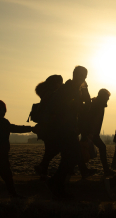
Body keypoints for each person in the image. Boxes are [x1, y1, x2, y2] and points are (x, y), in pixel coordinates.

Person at [44, 66, 90, 200]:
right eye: (81, 75)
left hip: (69, 128)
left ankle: (56, 185)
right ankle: (56, 185)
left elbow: (86, 106)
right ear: (75, 75)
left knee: (70, 158)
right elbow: (60, 109)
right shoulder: (67, 90)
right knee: (72, 157)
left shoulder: (76, 90)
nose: (83, 78)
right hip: (64, 129)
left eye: (85, 76)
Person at [33, 75, 63, 180]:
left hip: (45, 127)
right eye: (60, 82)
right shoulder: (51, 95)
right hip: (50, 127)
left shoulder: (46, 94)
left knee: (49, 150)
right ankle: (42, 167)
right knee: (56, 149)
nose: (61, 85)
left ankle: (43, 172)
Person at [79, 88, 114, 177]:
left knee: (82, 150)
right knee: (100, 147)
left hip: (91, 132)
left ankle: (82, 170)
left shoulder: (96, 104)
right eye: (107, 97)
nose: (108, 99)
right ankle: (105, 170)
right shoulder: (98, 105)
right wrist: (91, 133)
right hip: (91, 133)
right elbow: (93, 120)